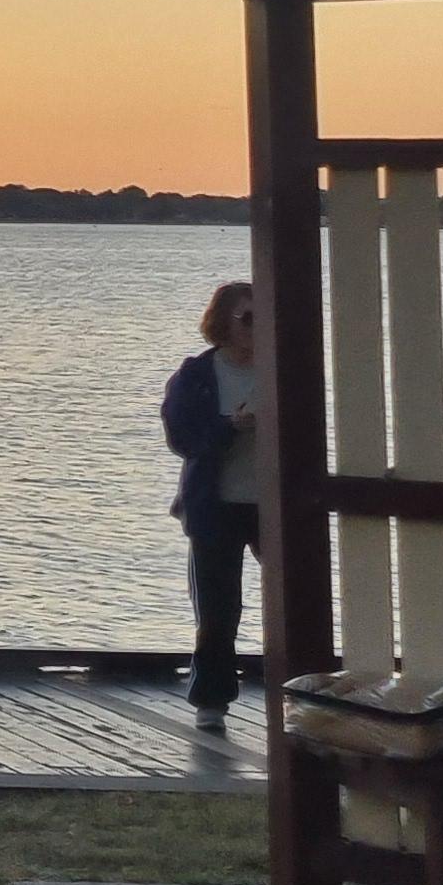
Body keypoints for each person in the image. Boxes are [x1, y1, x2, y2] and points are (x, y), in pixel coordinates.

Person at [159, 278, 264, 732]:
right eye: (248, 318)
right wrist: (230, 428)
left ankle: (301, 693)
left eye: (265, 317)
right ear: (224, 322)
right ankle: (211, 701)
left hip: (273, 507)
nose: (257, 328)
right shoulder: (197, 375)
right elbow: (182, 439)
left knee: (295, 604)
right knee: (218, 611)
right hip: (215, 506)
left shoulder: (283, 371)